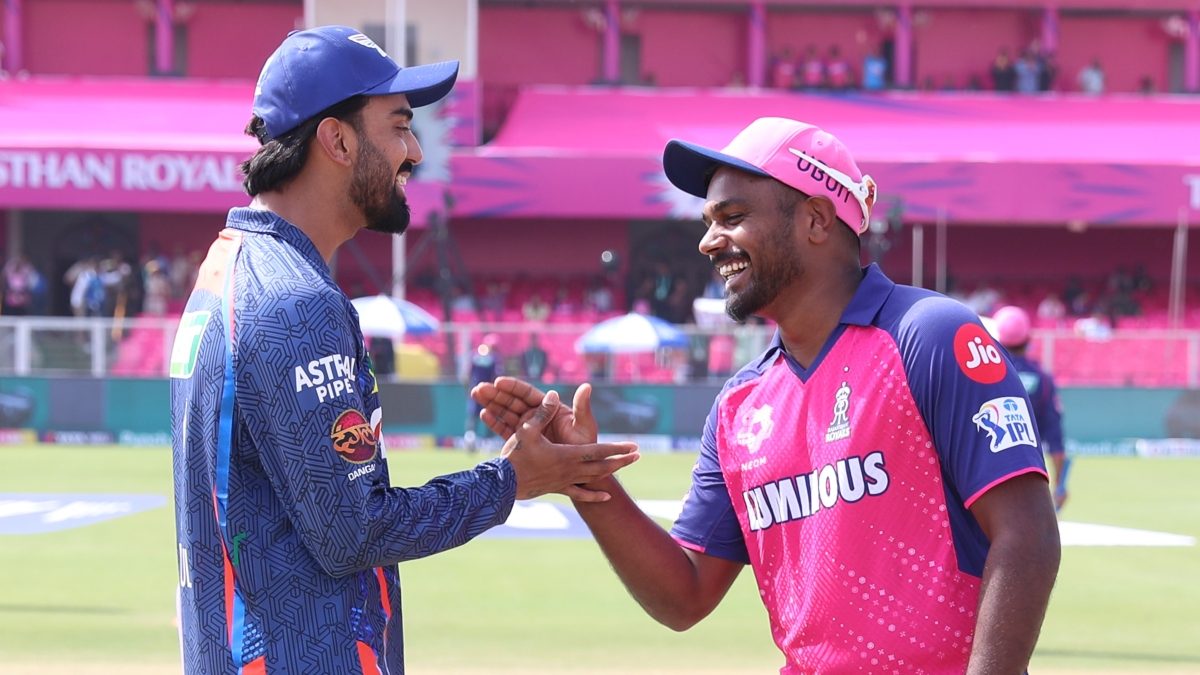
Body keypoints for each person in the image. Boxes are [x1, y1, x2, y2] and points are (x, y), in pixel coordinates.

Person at [474, 117, 1061, 672]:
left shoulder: (928, 335)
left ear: (815, 219)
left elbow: (1026, 534)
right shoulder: (739, 406)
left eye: (731, 216)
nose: (709, 241)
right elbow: (685, 594)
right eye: (708, 221)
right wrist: (587, 478)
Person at [169, 26, 639, 675]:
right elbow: (352, 532)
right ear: (336, 140)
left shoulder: (226, 269)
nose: (414, 150)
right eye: (398, 125)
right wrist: (509, 480)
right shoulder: (295, 301)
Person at [991, 306, 1069, 511]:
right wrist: (1059, 486)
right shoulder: (1043, 379)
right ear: (1028, 339)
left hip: (987, 477)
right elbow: (1056, 441)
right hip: (1029, 476)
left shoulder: (981, 376)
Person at [464, 333, 500, 451]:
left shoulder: (475, 356)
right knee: (483, 417)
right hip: (486, 393)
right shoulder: (493, 359)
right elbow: (495, 376)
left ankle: (472, 441)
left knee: (475, 417)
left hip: (477, 391)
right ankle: (481, 442)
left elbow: (468, 375)